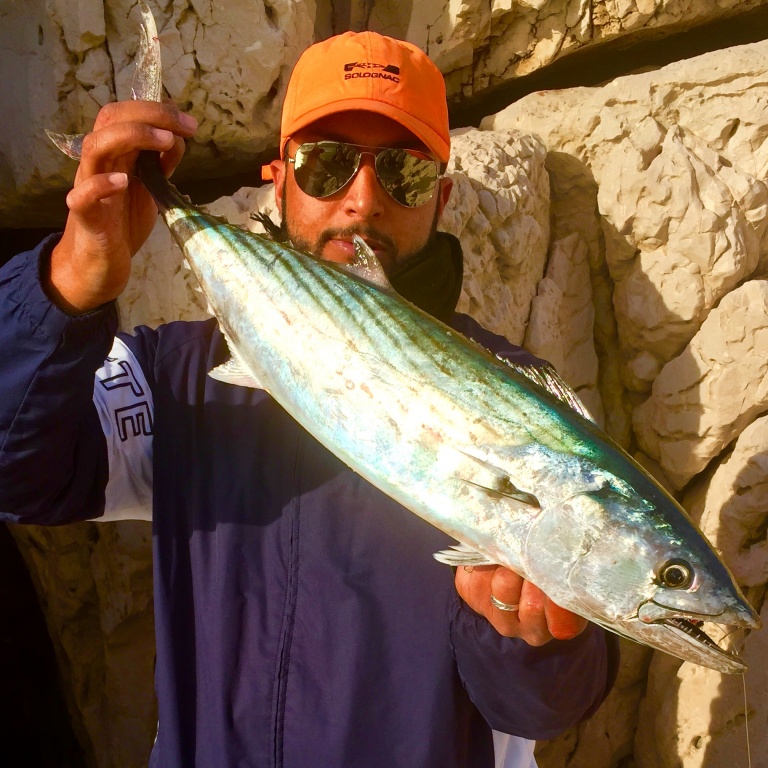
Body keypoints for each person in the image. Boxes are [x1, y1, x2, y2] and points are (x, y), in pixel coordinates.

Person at [0, 30, 618, 768]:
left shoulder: (523, 410)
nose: (362, 201)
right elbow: (15, 469)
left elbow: (542, 709)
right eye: (325, 165)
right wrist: (66, 285)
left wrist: (532, 639)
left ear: (442, 198)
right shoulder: (181, 379)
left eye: (405, 174)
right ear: (279, 179)